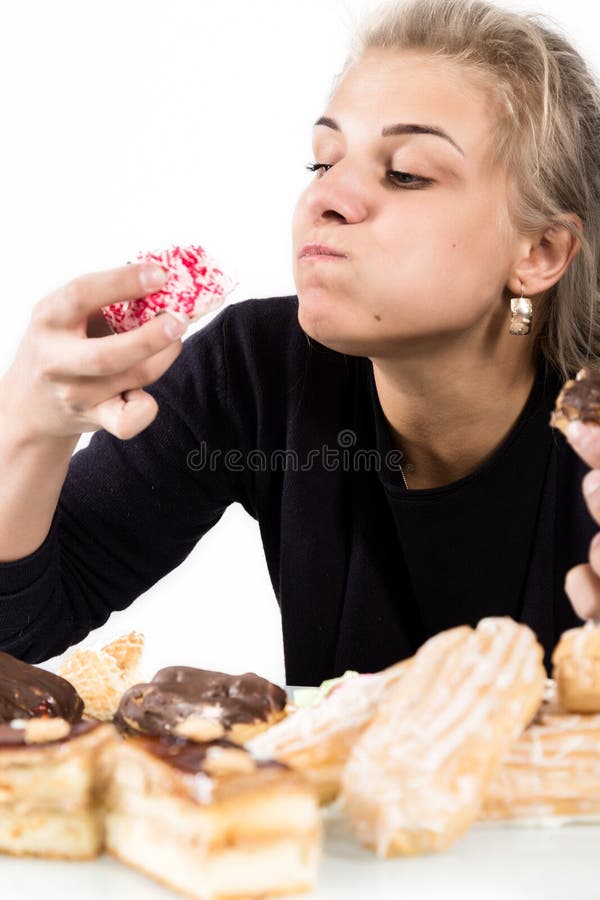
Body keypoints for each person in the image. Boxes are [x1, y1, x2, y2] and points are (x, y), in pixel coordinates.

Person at [0, 0, 599, 685]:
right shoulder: (255, 369)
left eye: (405, 172)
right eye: (322, 163)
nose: (327, 198)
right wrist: (27, 427)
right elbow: (24, 622)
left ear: (543, 251)